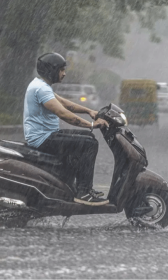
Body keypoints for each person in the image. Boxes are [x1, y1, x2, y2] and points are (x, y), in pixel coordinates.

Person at [23, 52, 109, 206]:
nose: (64, 73)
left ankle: (77, 187)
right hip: (43, 139)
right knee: (89, 144)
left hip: (47, 135)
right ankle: (83, 191)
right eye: (61, 70)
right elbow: (63, 113)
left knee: (88, 138)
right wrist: (91, 125)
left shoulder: (41, 85)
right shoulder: (41, 89)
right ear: (51, 70)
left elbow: (65, 103)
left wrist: (89, 111)